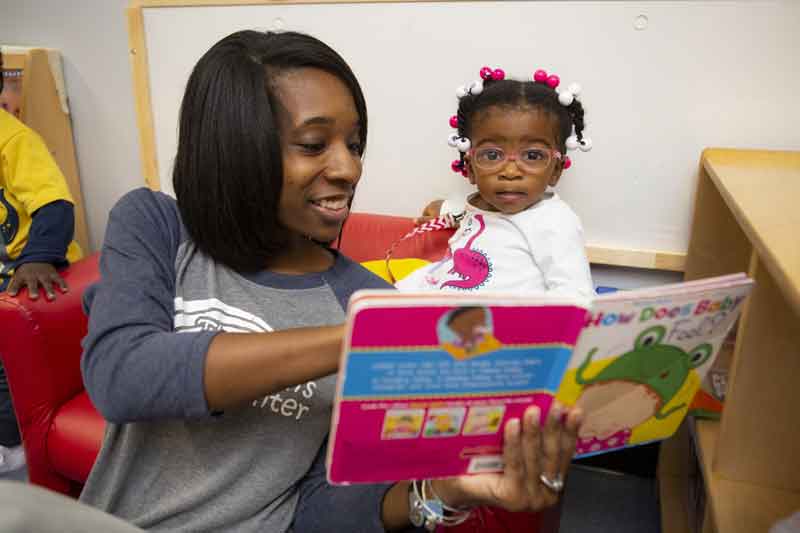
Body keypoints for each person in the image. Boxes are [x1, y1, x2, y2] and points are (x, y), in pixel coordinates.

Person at [0, 31, 583, 532]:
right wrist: (360, 337)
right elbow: (124, 376)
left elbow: (319, 507)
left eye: (354, 144)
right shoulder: (157, 226)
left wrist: (449, 493)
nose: (349, 167)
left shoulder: (362, 298)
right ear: (234, 146)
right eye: (314, 144)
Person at [396, 66, 595, 300]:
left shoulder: (554, 222)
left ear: (556, 170)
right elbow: (477, 215)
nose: (510, 172)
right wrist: (443, 208)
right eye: (492, 155)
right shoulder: (483, 204)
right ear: (470, 168)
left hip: (496, 327)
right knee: (370, 296)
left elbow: (577, 297)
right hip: (440, 294)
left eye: (532, 156)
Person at [0, 49, 82, 476]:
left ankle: (10, 442)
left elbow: (55, 204)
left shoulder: (14, 139)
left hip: (37, 267)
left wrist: (38, 257)